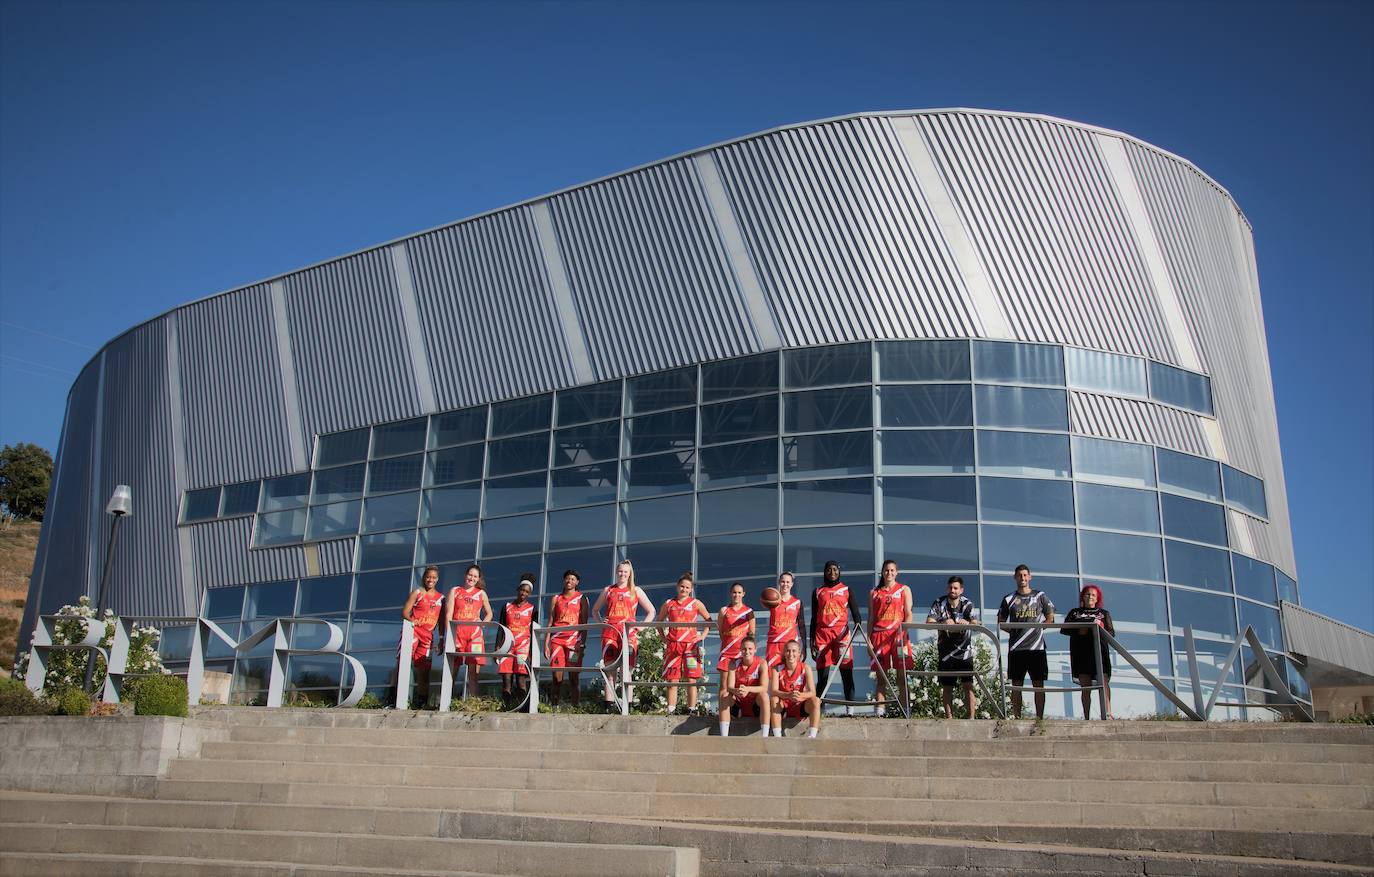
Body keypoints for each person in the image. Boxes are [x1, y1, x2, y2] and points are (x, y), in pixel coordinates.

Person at [592, 559, 655, 707]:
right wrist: (601, 623)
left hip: (628, 634)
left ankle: (629, 704)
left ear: (630, 573)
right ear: (616, 572)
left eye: (625, 572)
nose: (622, 574)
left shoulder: (636, 590)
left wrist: (640, 628)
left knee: (626, 671)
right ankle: (609, 704)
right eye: (620, 571)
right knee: (610, 670)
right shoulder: (608, 590)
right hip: (610, 633)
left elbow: (651, 611)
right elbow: (595, 610)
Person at [997, 564, 1054, 719]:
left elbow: (1050, 618)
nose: (1022, 578)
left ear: (1030, 577)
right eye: (1019, 575)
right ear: (1015, 577)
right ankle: (1017, 718)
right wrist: (1016, 631)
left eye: (1025, 575)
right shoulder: (1009, 598)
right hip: (1017, 648)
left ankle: (1040, 719)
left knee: (1038, 685)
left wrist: (1038, 629)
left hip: (1037, 648)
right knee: (1017, 685)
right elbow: (1000, 622)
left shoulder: (1040, 595)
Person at [810, 560, 863, 712]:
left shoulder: (846, 589)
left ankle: (850, 709)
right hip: (822, 635)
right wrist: (812, 641)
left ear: (839, 571)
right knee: (823, 676)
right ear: (824, 572)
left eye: (835, 569)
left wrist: (857, 625)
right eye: (829, 570)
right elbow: (814, 617)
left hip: (841, 635)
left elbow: (856, 613)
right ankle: (820, 710)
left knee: (846, 673)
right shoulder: (818, 591)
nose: (832, 572)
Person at [657, 573, 712, 714]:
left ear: (691, 589)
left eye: (687, 587)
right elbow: (659, 622)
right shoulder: (669, 603)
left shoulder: (696, 603)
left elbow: (709, 620)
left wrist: (703, 636)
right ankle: (671, 710)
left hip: (690, 647)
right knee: (672, 680)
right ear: (677, 587)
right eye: (682, 586)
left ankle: (691, 710)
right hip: (674, 646)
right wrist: (663, 638)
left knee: (691, 679)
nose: (684, 590)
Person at [927, 575, 978, 719]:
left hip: (965, 653)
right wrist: (942, 622)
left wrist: (967, 622)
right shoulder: (939, 602)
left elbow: (976, 623)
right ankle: (949, 718)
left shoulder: (967, 604)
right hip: (946, 653)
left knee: (968, 686)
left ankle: (971, 717)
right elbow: (929, 622)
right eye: (950, 587)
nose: (952, 590)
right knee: (947, 687)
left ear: (961, 590)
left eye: (956, 588)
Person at [1062, 584, 1114, 719]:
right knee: (1085, 686)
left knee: (1104, 681)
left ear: (1097, 598)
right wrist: (1079, 630)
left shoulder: (1104, 613)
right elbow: (1064, 629)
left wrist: (1100, 627)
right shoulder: (1075, 612)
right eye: (1087, 594)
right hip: (1081, 653)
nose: (1090, 597)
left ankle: (1108, 713)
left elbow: (1111, 633)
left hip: (1100, 652)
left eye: (1093, 595)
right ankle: (1086, 717)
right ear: (1083, 596)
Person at [868, 560, 913, 711]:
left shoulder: (904, 589)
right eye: (887, 570)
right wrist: (869, 640)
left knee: (902, 676)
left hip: (898, 636)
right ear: (882, 572)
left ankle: (905, 710)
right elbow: (870, 618)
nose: (889, 573)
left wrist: (903, 632)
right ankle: (880, 712)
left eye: (892, 570)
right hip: (879, 636)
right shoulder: (874, 592)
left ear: (897, 572)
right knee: (881, 678)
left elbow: (908, 614)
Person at [396, 565, 444, 707]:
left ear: (437, 579)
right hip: (413, 631)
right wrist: (412, 620)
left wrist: (441, 639)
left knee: (424, 671)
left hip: (428, 637)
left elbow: (441, 621)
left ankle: (422, 704)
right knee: (402, 664)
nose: (431, 580)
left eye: (434, 577)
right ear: (424, 577)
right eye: (428, 577)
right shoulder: (417, 593)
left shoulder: (441, 598)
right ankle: (393, 699)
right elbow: (404, 612)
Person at [445, 564, 493, 693]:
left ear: (478, 579)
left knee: (473, 672)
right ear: (465, 575)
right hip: (458, 633)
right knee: (453, 669)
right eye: (470, 575)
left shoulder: (481, 593)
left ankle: (473, 704)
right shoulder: (455, 590)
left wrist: (482, 624)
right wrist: (448, 634)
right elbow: (449, 614)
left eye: (475, 576)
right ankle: (446, 701)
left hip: (475, 635)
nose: (472, 578)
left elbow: (489, 613)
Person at [545, 569, 589, 708]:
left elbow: (584, 623)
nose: (569, 581)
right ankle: (554, 708)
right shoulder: (556, 598)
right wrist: (546, 643)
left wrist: (582, 644)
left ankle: (575, 708)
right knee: (557, 677)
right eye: (567, 579)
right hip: (557, 641)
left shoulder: (582, 598)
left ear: (577, 582)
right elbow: (550, 622)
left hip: (574, 642)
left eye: (572, 579)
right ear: (564, 581)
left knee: (573, 678)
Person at [497, 575, 537, 709]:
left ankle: (522, 707)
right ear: (518, 589)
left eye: (527, 592)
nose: (523, 593)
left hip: (523, 647)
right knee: (506, 679)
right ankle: (506, 706)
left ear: (529, 594)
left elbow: (533, 632)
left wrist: (531, 652)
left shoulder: (532, 609)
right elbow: (501, 628)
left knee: (521, 679)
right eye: (522, 590)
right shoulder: (507, 606)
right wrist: (498, 648)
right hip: (508, 646)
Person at [715, 582, 756, 713]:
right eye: (734, 592)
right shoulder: (724, 610)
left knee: (740, 685)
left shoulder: (749, 612)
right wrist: (729, 643)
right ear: (730, 593)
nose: (736, 595)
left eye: (739, 592)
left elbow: (751, 635)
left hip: (742, 655)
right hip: (727, 653)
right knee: (724, 686)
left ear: (743, 594)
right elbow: (721, 631)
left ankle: (740, 712)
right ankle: (723, 714)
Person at [720, 635, 770, 736]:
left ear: (755, 649)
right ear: (740, 650)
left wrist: (748, 689)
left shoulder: (762, 663)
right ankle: (724, 736)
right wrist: (737, 691)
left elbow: (764, 687)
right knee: (724, 695)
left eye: (750, 649)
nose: (747, 652)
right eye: (744, 649)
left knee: (764, 696)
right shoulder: (733, 663)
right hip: (739, 704)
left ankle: (765, 736)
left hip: (755, 705)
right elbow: (729, 686)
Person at [770, 640, 820, 738]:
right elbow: (774, 691)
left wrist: (800, 695)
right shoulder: (776, 669)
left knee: (816, 700)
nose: (791, 654)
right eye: (788, 651)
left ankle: (812, 736)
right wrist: (788, 695)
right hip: (784, 704)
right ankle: (777, 736)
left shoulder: (806, 668)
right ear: (784, 653)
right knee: (774, 700)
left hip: (800, 704)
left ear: (799, 653)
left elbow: (812, 692)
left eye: (794, 651)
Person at [764, 572, 806, 669]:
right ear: (779, 582)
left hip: (790, 643)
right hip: (774, 643)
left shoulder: (797, 602)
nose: (785, 584)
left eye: (788, 582)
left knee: (790, 673)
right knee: (772, 676)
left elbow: (801, 626)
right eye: (783, 581)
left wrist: (804, 645)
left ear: (792, 584)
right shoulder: (772, 600)